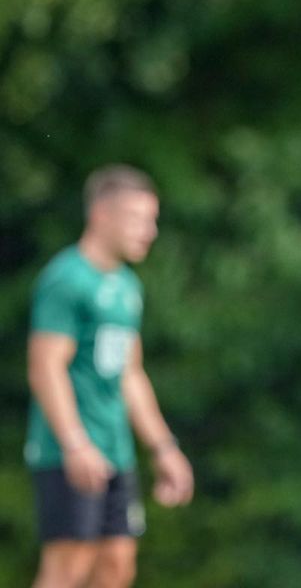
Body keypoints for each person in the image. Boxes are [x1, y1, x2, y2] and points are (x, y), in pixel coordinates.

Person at [26, 165, 195, 588]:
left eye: (152, 219)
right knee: (69, 568)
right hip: (70, 451)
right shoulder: (67, 279)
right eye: (138, 218)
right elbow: (45, 366)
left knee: (117, 565)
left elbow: (130, 374)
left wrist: (163, 447)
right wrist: (75, 443)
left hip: (116, 451)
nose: (150, 231)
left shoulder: (126, 287)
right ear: (101, 214)